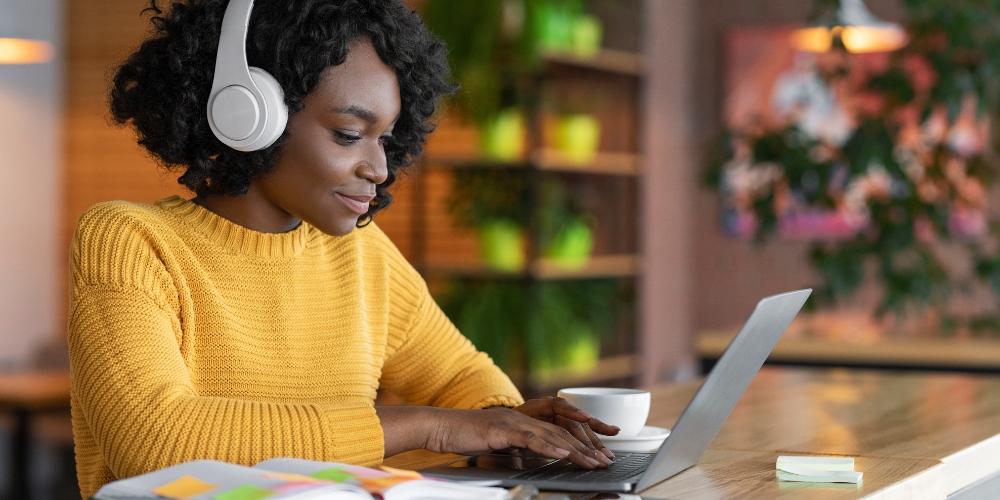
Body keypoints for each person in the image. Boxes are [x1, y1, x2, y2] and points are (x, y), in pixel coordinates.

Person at [67, 0, 618, 497]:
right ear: (249, 116)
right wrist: (433, 427)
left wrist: (506, 426)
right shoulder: (128, 242)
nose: (378, 169)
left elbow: (463, 379)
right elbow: (154, 440)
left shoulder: (361, 254)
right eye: (350, 135)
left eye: (386, 138)